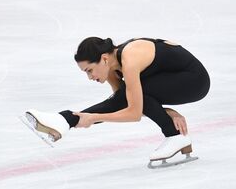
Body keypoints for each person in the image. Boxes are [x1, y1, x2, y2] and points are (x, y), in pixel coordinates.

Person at [25, 37, 210, 164]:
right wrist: (168, 112)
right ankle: (66, 120)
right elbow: (125, 104)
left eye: (89, 70)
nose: (90, 77)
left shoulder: (129, 59)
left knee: (132, 92)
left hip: (194, 81)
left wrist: (91, 118)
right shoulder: (113, 66)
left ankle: (176, 136)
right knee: (124, 95)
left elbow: (134, 113)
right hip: (172, 79)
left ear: (104, 59)